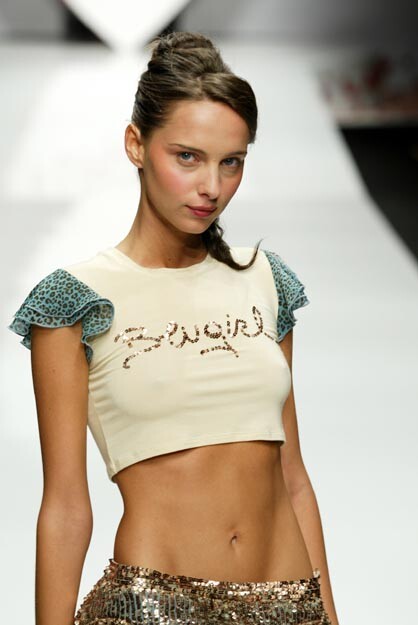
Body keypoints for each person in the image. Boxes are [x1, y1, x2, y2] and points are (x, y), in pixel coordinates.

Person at [7, 31, 339, 625]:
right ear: (136, 144)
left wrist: (328, 614)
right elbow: (65, 505)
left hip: (287, 603)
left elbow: (292, 477)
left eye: (231, 161)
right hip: (152, 605)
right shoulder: (78, 301)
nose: (211, 186)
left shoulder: (266, 281)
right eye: (187, 156)